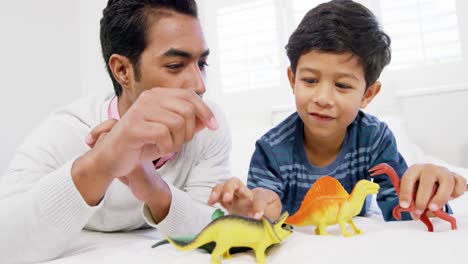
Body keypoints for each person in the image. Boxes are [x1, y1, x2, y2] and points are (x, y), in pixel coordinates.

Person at [0, 0, 232, 263]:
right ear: (122, 70)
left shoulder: (207, 126)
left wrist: (154, 188)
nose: (199, 85)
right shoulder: (67, 130)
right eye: (176, 66)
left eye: (202, 63)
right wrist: (102, 164)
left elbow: (214, 229)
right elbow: (4, 242)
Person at [208, 0, 467, 223]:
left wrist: (428, 197)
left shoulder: (374, 138)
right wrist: (253, 210)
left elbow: (400, 210)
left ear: (368, 94)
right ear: (292, 79)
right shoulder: (271, 149)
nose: (322, 98)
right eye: (310, 80)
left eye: (342, 85)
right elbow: (263, 204)